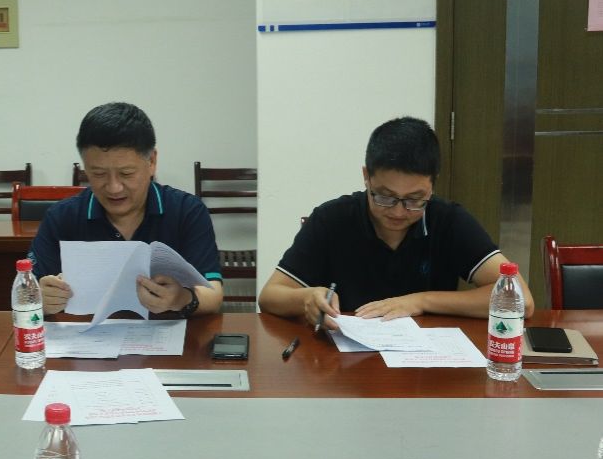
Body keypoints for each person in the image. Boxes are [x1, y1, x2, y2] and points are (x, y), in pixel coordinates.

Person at [258, 116, 533, 327]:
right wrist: (306, 298)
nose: (399, 212)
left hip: (427, 367)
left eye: (415, 199)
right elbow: (270, 296)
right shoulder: (331, 219)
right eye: (385, 197)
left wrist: (421, 301)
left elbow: (521, 300)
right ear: (366, 177)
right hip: (344, 364)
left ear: (432, 185)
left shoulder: (448, 220)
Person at [30, 102, 224, 317]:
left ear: (152, 161)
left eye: (126, 173)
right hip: (86, 334)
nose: (114, 188)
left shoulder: (187, 211)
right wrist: (40, 299)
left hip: (170, 334)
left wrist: (182, 299)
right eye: (99, 174)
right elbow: (26, 292)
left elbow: (213, 294)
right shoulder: (62, 217)